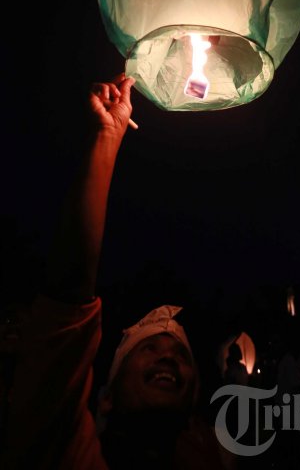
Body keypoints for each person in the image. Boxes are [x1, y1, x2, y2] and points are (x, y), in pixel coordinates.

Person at [1, 74, 228, 469]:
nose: (167, 358)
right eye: (149, 348)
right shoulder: (70, 454)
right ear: (105, 397)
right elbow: (67, 299)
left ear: (196, 396)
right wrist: (107, 136)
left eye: (179, 354)